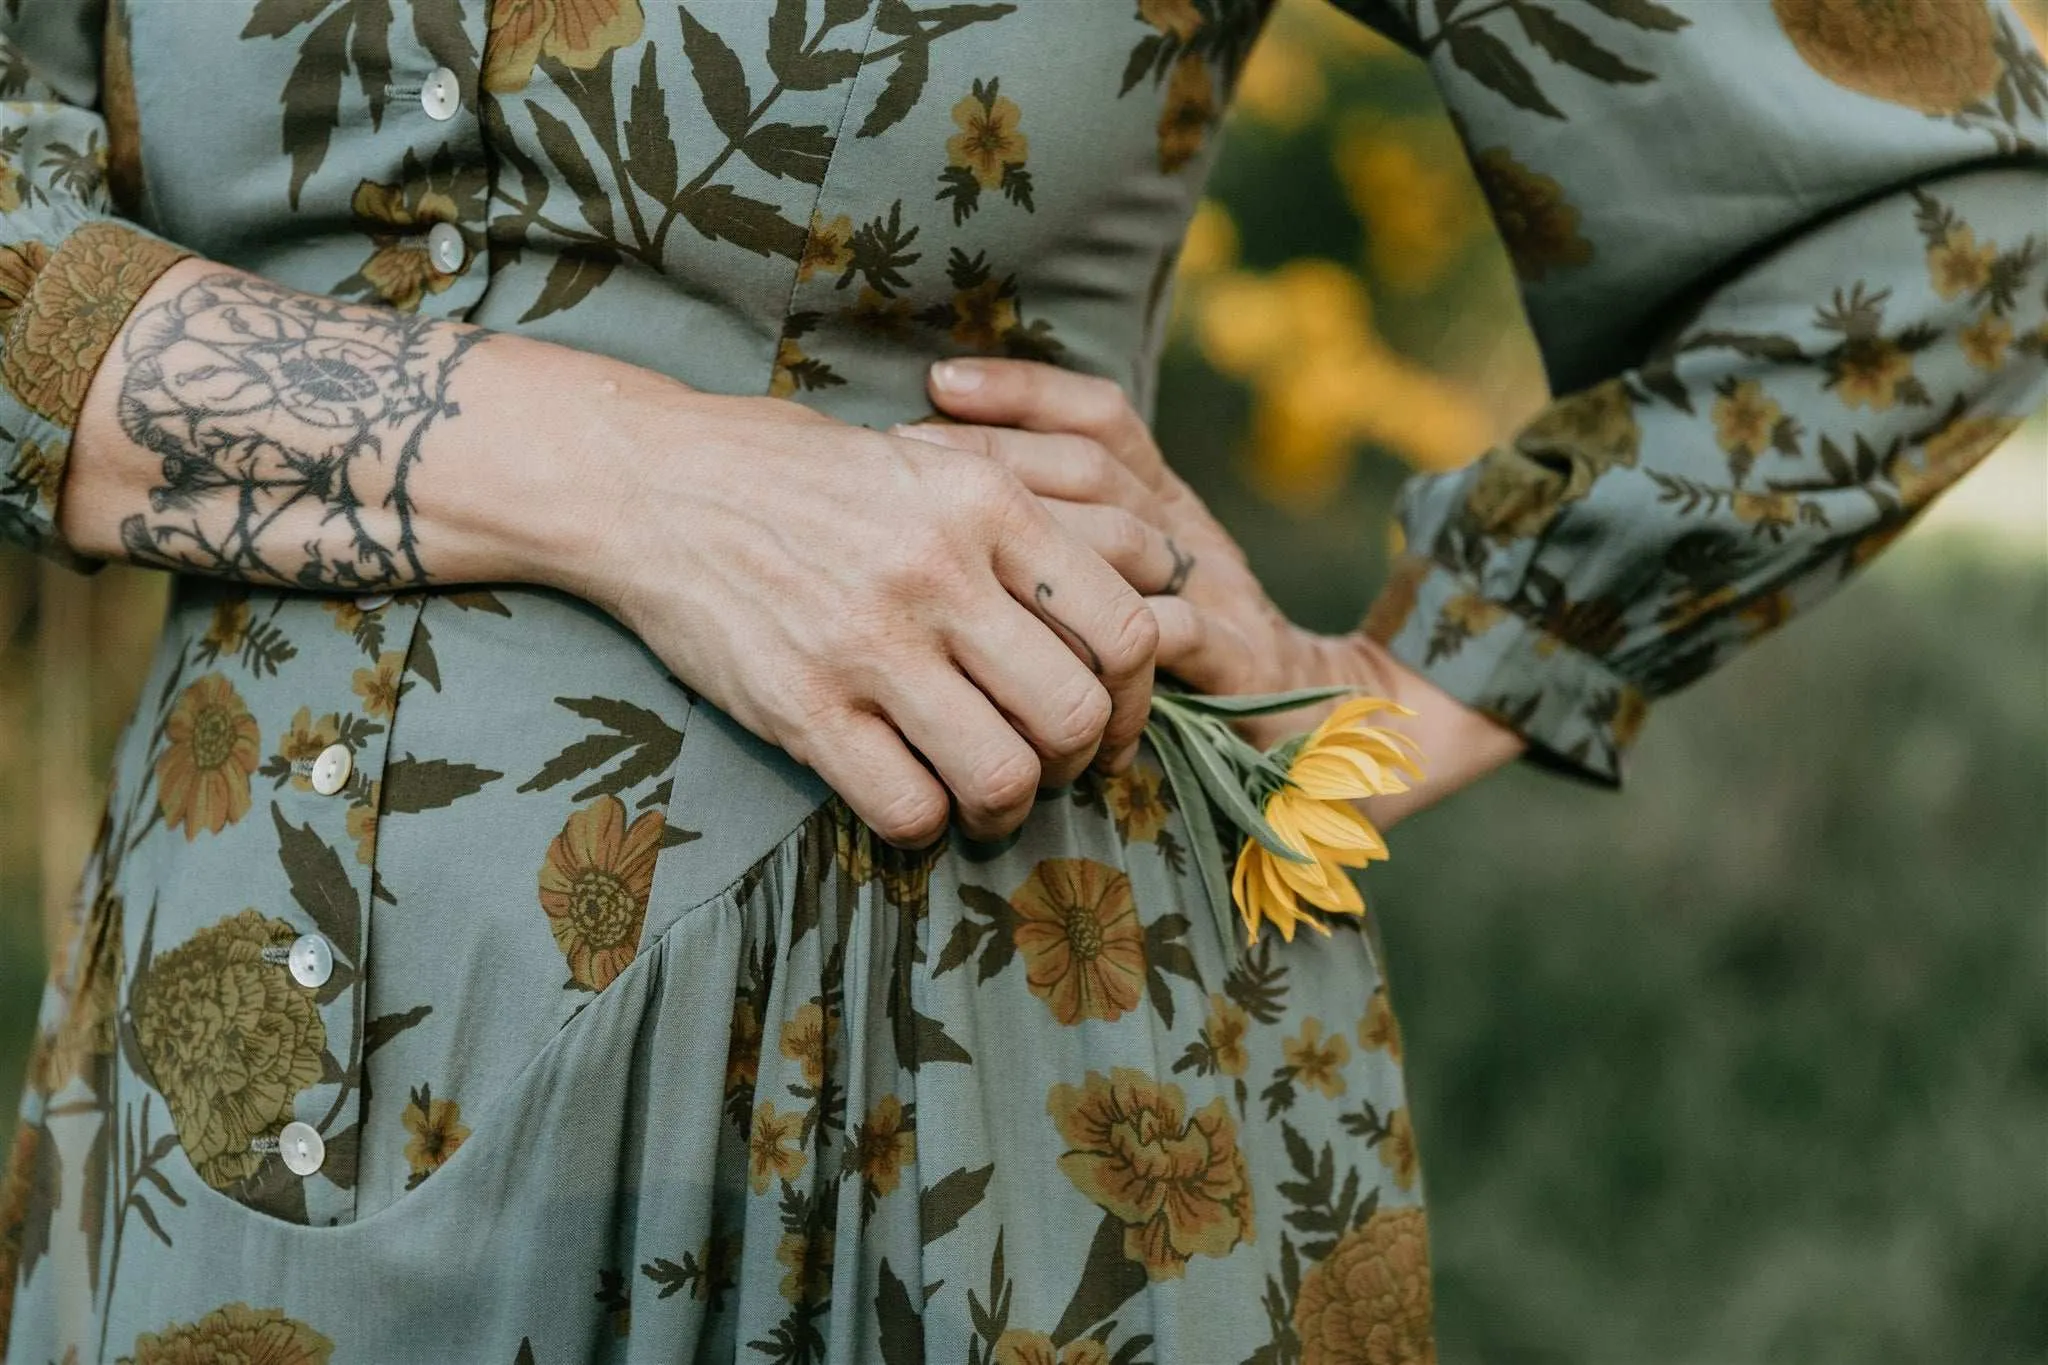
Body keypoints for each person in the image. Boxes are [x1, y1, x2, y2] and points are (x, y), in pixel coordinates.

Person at [1, 0, 2041, 1359]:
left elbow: (1931, 213)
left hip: (971, 1074)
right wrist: (624, 479)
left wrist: (1399, 687)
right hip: (222, 1100)